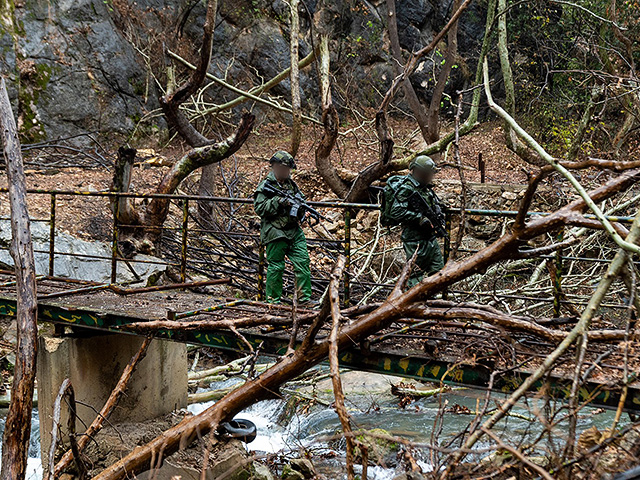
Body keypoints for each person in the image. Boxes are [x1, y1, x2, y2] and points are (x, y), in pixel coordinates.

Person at [253, 150, 314, 305]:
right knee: (276, 267)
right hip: (275, 230)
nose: (285, 171)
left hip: (293, 230)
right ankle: (273, 302)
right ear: (274, 167)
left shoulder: (291, 185)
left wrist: (303, 210)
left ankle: (303, 299)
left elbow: (301, 199)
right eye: (282, 168)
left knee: (303, 261)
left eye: (287, 169)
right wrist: (278, 202)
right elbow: (259, 208)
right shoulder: (265, 186)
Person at [387, 155, 445, 288]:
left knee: (439, 272)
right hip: (415, 240)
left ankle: (434, 303)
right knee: (415, 277)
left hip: (429, 237)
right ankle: (413, 304)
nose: (431, 176)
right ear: (419, 172)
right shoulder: (407, 188)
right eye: (428, 173)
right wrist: (419, 219)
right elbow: (396, 211)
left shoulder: (423, 187)